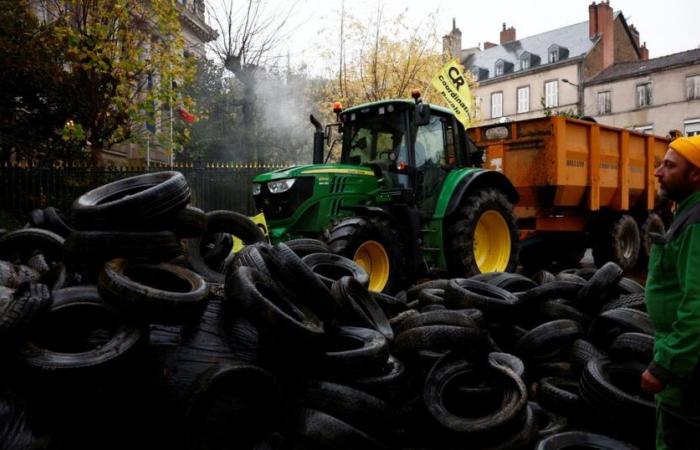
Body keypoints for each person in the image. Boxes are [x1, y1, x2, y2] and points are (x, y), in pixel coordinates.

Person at [642, 135, 700, 449]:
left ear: (695, 175)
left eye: (669, 165)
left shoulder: (696, 222)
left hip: (687, 372)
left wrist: (666, 364)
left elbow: (698, 305)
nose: (657, 172)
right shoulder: (687, 213)